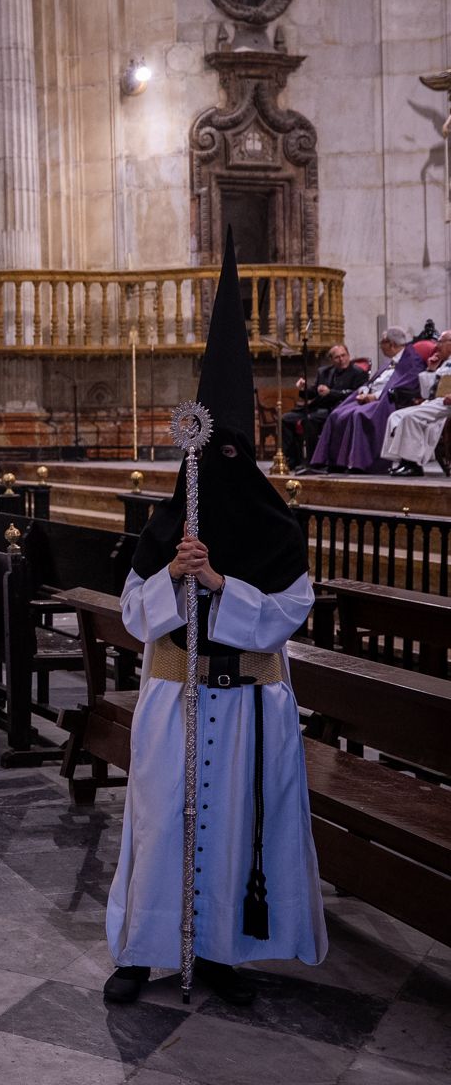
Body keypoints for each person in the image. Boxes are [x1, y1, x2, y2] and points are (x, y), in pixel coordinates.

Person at [105, 234, 326, 1006]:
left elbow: (289, 614)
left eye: (233, 455)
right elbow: (136, 615)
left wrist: (222, 581)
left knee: (236, 832)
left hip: (248, 707)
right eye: (208, 457)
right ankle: (140, 950)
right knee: (162, 824)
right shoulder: (169, 523)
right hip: (176, 695)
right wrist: (171, 573)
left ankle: (226, 952)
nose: (218, 471)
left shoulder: (274, 531)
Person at [307, 326, 422, 473]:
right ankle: (334, 462)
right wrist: (365, 391)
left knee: (359, 415)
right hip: (370, 396)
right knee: (337, 414)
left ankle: (360, 464)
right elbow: (373, 381)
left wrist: (374, 396)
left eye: (382, 342)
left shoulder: (412, 360)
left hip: (388, 400)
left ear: (391, 344)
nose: (380, 346)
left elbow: (407, 386)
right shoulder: (389, 361)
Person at [280, 344, 366, 467]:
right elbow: (313, 393)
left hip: (337, 409)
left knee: (309, 420)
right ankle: (293, 459)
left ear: (349, 355)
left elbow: (355, 394)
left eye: (344, 355)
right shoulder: (324, 372)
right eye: (337, 357)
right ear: (331, 360)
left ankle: (313, 461)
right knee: (286, 419)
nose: (342, 360)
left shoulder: (358, 373)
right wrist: (303, 388)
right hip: (317, 407)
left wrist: (330, 392)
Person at [381, 331, 451, 475]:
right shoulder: (445, 363)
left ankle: (413, 465)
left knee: (411, 418)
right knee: (396, 416)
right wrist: (431, 370)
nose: (437, 346)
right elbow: (426, 393)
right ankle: (401, 461)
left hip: (447, 404)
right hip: (436, 402)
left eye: (440, 342)